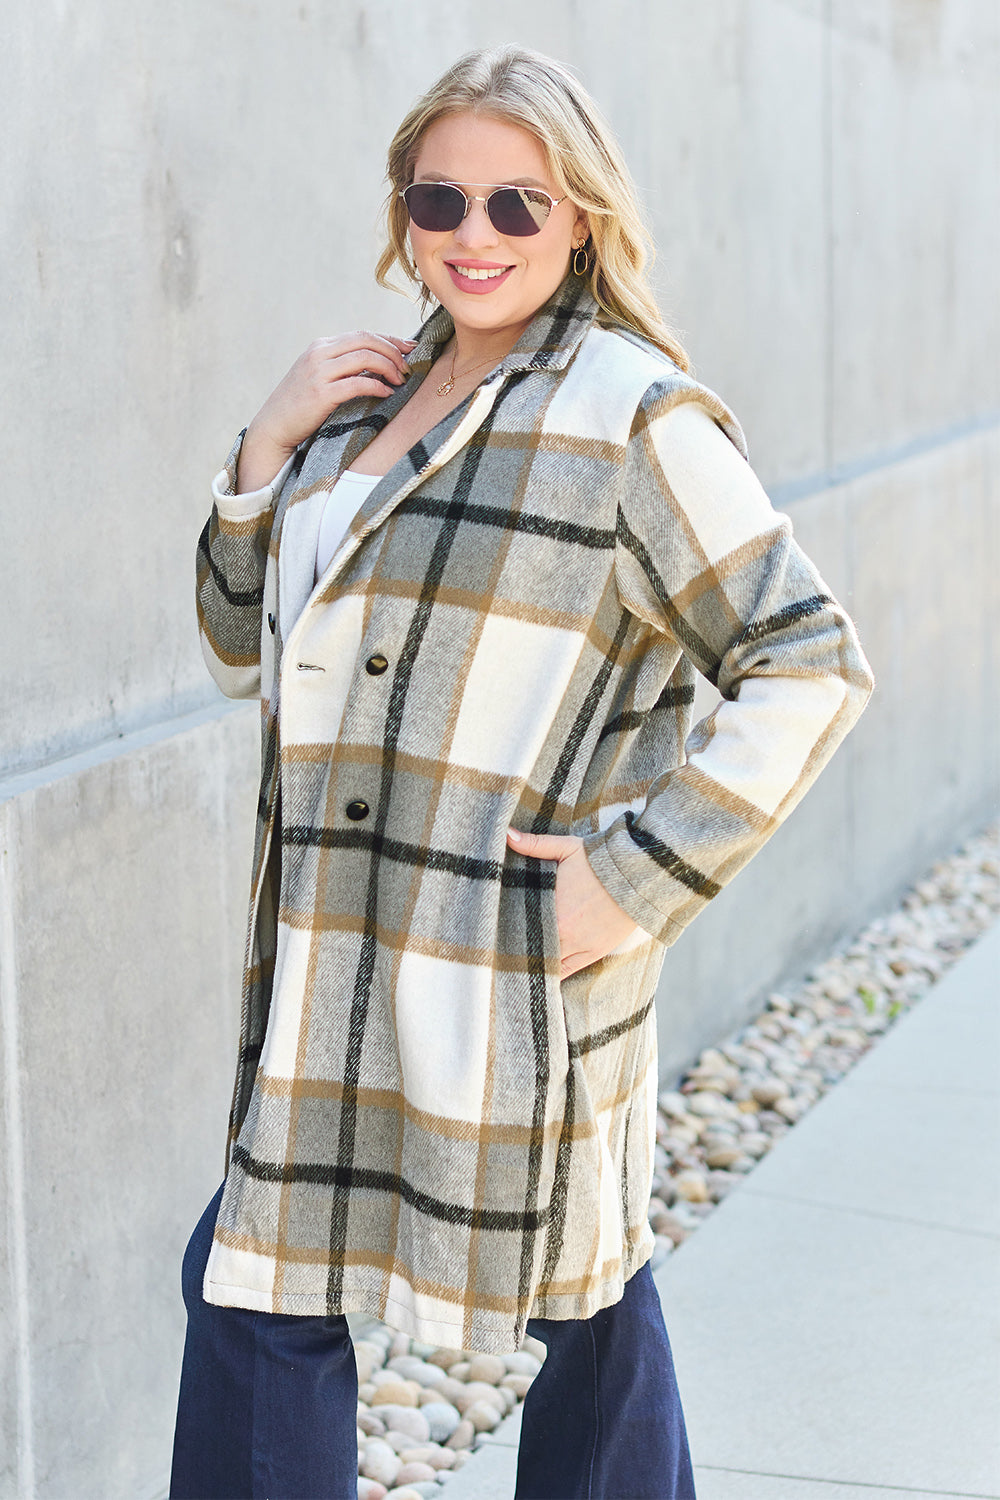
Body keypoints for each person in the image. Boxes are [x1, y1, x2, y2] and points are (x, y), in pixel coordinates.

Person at [170, 44, 874, 1500]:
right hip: (322, 960)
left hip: (505, 966)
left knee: (586, 1300)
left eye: (518, 206)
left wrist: (636, 882)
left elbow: (811, 660)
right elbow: (243, 646)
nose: (474, 236)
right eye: (444, 200)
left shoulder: (633, 417)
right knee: (255, 1292)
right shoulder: (368, 400)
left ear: (581, 222)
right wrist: (265, 447)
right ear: (401, 213)